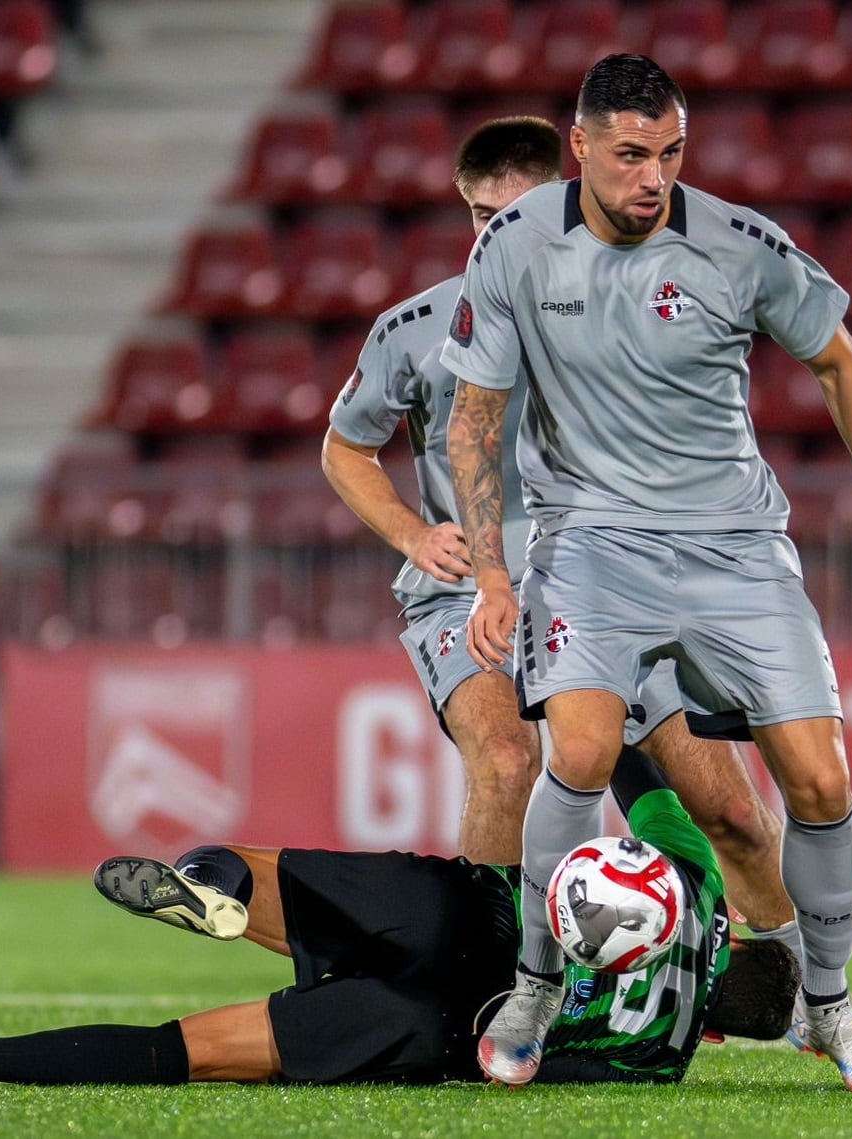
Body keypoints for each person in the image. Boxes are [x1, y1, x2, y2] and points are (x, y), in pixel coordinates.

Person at [442, 55, 852, 1094]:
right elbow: (474, 418)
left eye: (669, 153)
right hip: (590, 542)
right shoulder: (515, 246)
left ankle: (829, 1005)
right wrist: (492, 573)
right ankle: (535, 984)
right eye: (630, 154)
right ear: (579, 146)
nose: (652, 177)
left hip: (735, 547)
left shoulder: (737, 244)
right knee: (579, 751)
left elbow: (838, 361)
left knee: (819, 781)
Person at [321, 116, 799, 951]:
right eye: (482, 216)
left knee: (731, 810)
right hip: (470, 591)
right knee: (508, 761)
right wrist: (411, 534)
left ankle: (799, 990)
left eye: (519, 214)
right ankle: (487, 984)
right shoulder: (415, 328)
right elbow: (344, 446)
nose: (497, 235)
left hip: (616, 578)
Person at [0, 747, 802, 1088]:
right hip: (439, 1025)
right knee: (185, 1053)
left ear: (746, 935)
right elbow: (531, 1068)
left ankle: (212, 890)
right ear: (721, 1030)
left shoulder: (697, 882)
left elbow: (626, 759)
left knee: (241, 863)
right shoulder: (660, 1059)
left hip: (470, 913)